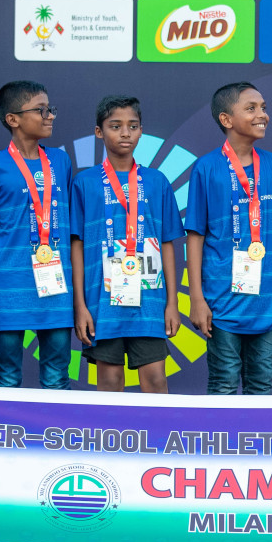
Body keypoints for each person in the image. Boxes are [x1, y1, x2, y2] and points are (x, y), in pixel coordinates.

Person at [69, 95, 182, 394]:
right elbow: (76, 246)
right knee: (108, 381)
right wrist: (80, 305)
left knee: (156, 379)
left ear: (141, 131)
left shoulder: (157, 181)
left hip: (150, 300)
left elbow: (169, 243)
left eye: (132, 126)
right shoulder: (85, 183)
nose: (125, 133)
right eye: (115, 126)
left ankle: (158, 439)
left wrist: (172, 302)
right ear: (98, 132)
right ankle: (112, 440)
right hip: (102, 301)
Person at [186, 82, 272, 394]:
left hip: (269, 302)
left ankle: (254, 445)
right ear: (226, 120)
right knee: (223, 384)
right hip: (221, 302)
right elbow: (195, 237)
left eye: (263, 107)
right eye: (251, 108)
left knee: (262, 386)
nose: (262, 114)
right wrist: (196, 298)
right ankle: (223, 444)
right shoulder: (206, 168)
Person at [0, 80, 74, 389]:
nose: (50, 116)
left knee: (57, 375)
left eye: (51, 109)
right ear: (13, 119)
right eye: (41, 110)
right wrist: (3, 267)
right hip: (10, 286)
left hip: (56, 284)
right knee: (6, 376)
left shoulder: (60, 161)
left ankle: (56, 436)